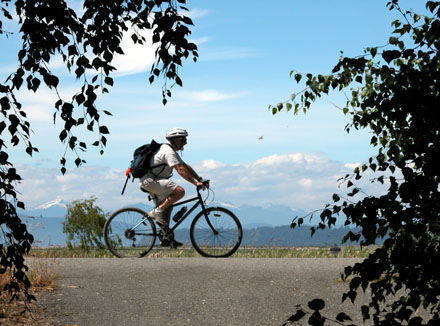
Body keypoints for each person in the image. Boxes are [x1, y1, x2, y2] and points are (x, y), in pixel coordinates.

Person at [139, 127, 205, 247]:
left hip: (152, 181)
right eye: (184, 139)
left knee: (168, 207)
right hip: (150, 181)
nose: (186, 142)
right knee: (180, 191)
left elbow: (185, 166)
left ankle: (166, 238)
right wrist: (195, 183)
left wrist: (199, 179)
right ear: (177, 139)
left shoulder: (171, 151)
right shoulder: (168, 152)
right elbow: (180, 169)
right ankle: (156, 211)